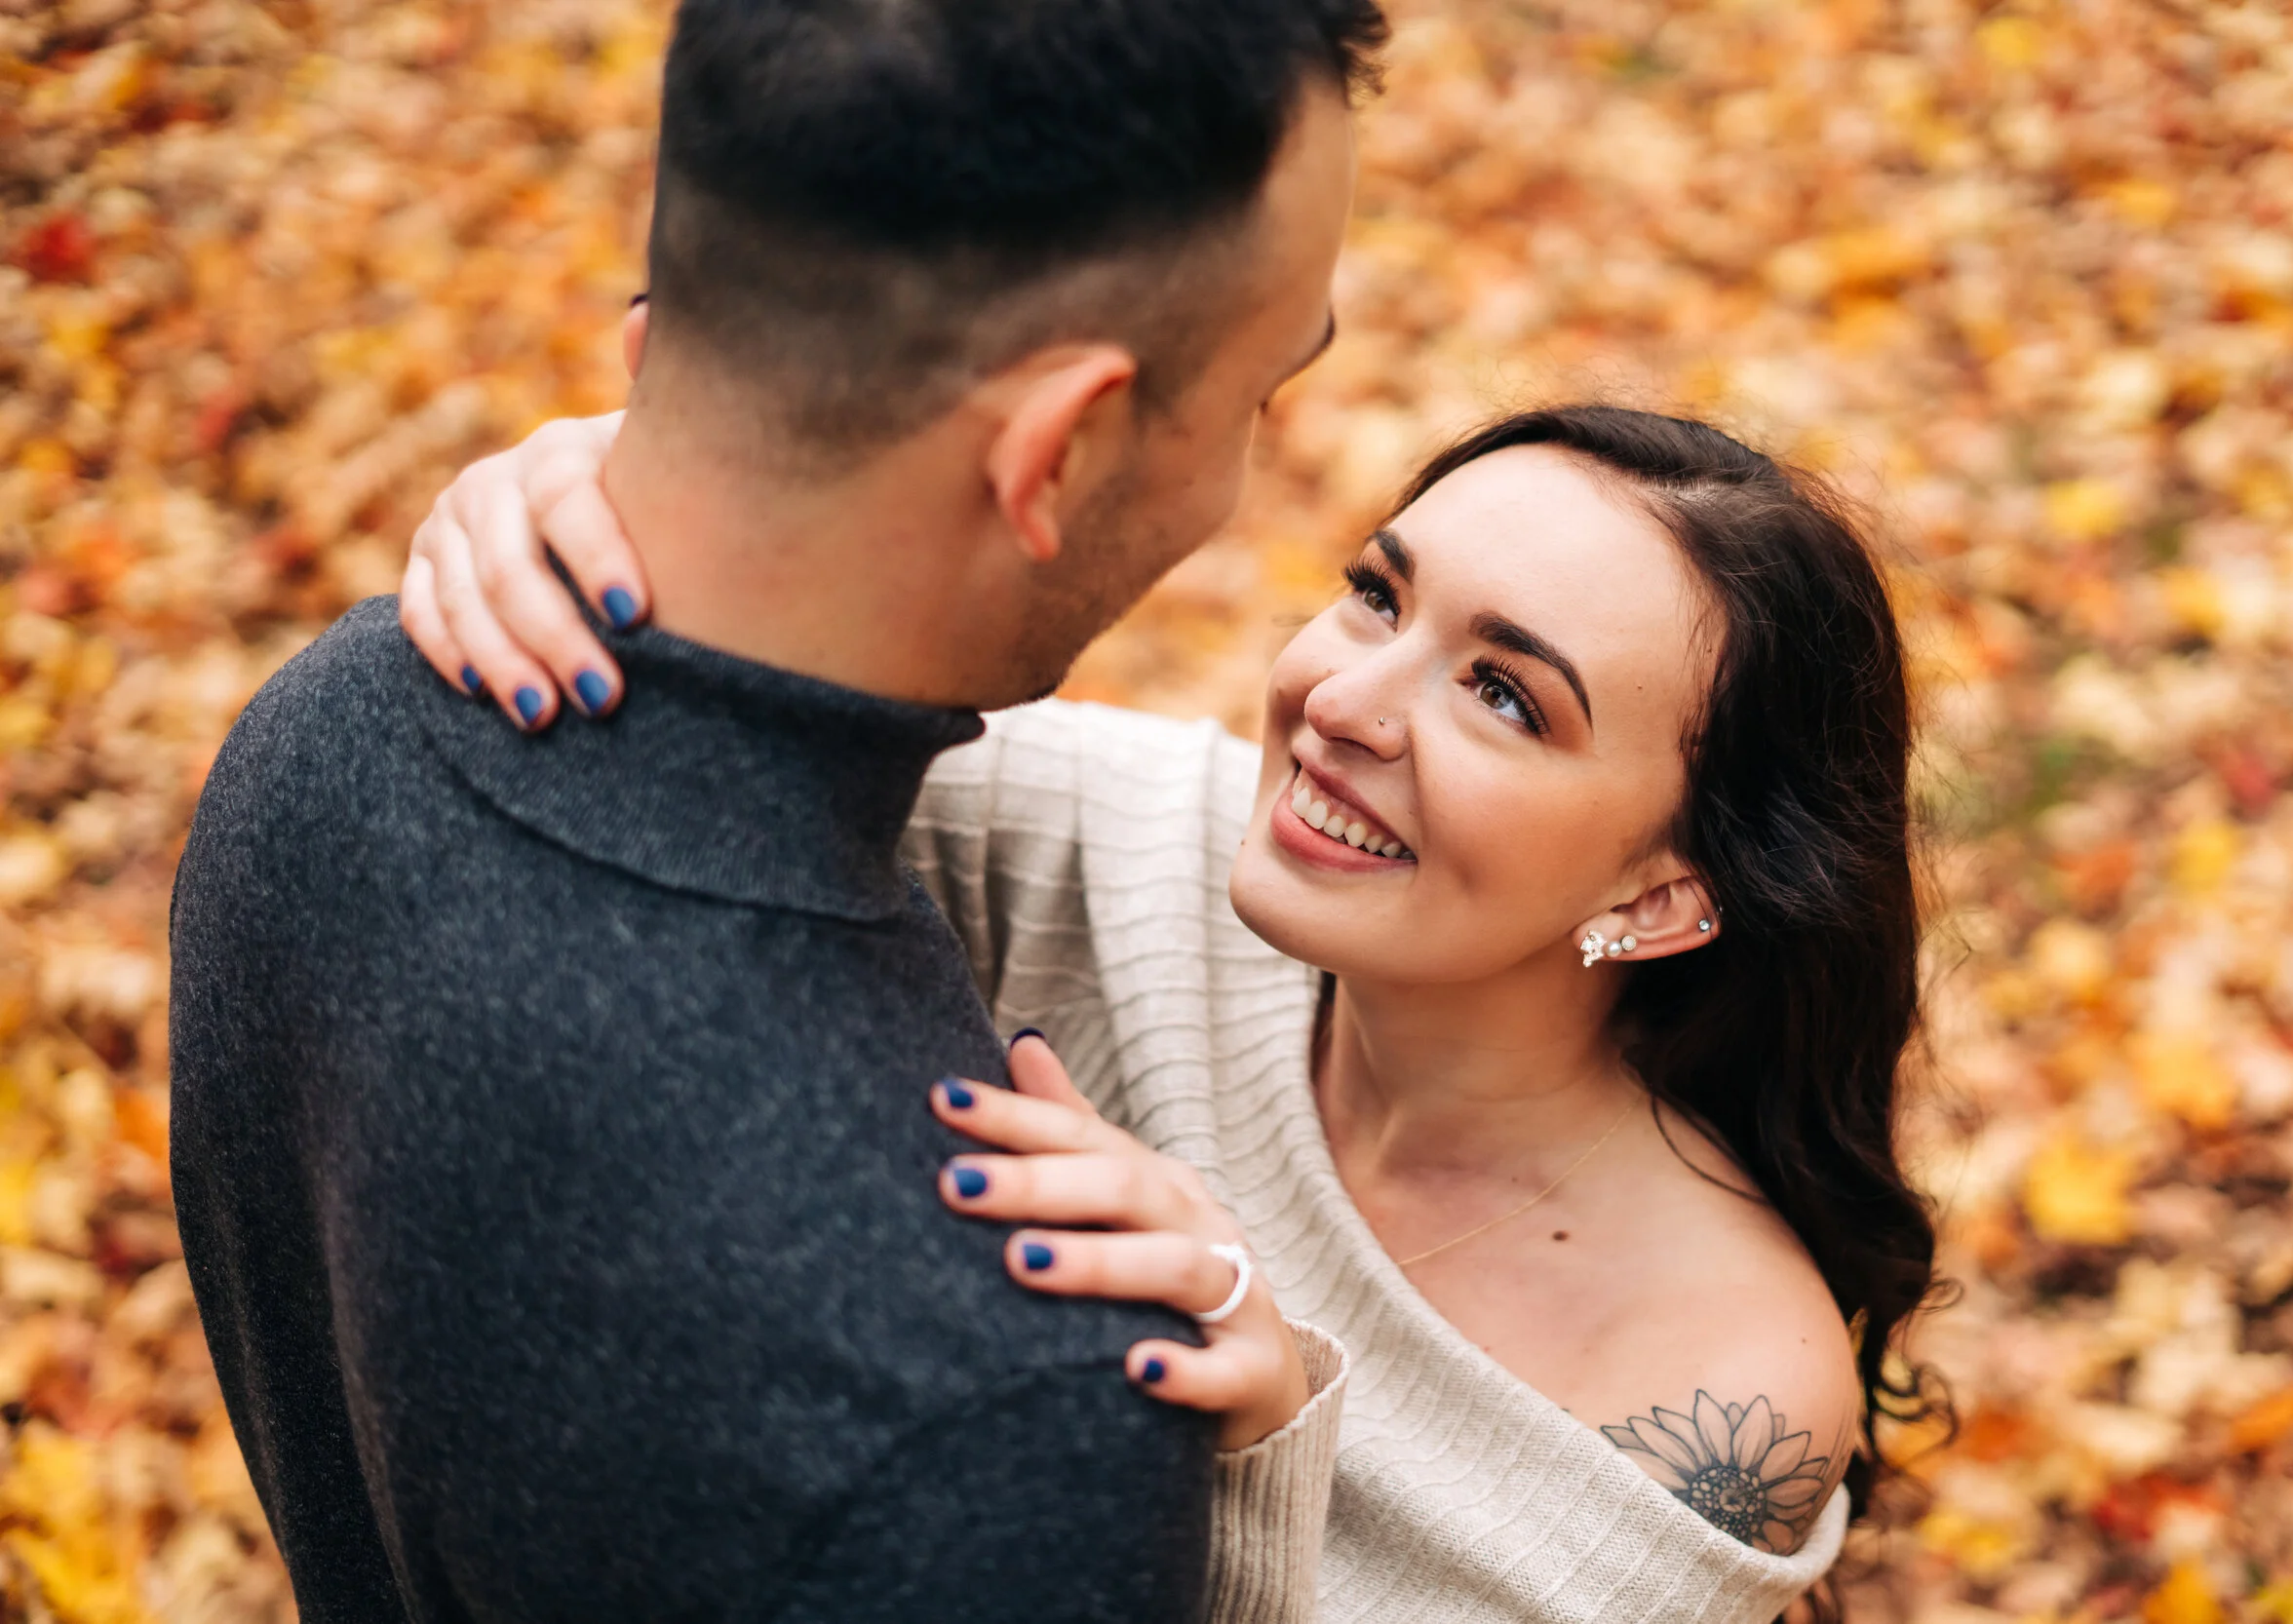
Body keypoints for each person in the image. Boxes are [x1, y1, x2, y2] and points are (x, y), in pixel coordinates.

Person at [167, 1, 1386, 1619]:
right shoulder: (1003, 1412)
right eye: (1256, 397)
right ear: (1059, 451)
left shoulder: (322, 742)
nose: (1242, 479)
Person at [399, 397, 1948, 1621]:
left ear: (1663, 897)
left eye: (1501, 694)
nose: (1340, 702)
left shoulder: (1719, 1378)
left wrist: (1251, 1436)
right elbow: (722, 696)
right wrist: (593, 503)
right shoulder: (1121, 839)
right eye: (1374, 595)